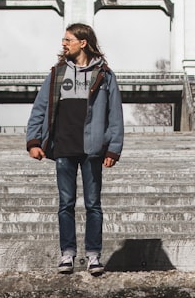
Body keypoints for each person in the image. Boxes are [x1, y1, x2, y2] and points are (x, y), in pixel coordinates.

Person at [26, 23, 124, 276]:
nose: (63, 43)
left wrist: (113, 148)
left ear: (83, 42)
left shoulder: (105, 75)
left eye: (68, 39)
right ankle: (67, 254)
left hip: (93, 149)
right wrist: (34, 141)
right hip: (63, 148)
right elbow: (40, 108)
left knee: (93, 205)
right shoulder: (57, 73)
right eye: (63, 39)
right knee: (65, 204)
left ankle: (93, 256)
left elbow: (115, 115)